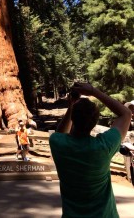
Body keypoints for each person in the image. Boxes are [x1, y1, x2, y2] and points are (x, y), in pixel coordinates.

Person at [49, 82, 132, 218]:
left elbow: (61, 133)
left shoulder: (58, 143)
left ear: (73, 118)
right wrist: (94, 91)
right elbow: (126, 114)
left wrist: (72, 104)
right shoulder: (103, 146)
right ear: (94, 122)